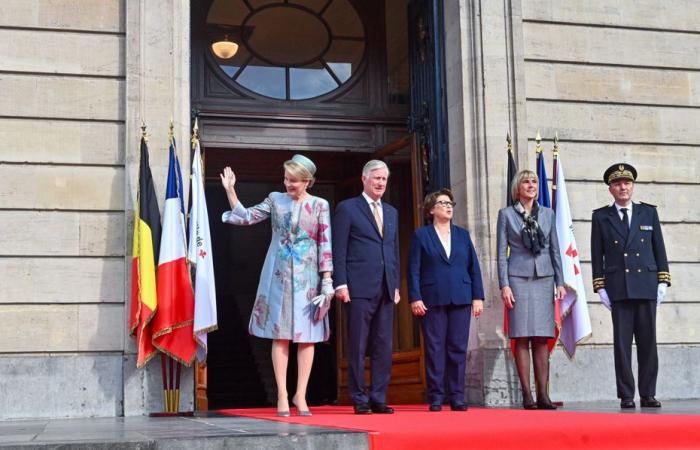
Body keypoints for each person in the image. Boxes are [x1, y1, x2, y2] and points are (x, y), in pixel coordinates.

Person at [220, 154, 334, 417]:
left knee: (308, 338)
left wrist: (327, 281)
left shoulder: (320, 205)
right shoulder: (275, 199)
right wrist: (231, 191)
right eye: (286, 179)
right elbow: (246, 217)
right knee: (280, 335)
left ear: (307, 181)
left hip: (308, 279)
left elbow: (325, 243)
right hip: (278, 276)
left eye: (294, 181)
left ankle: (300, 394)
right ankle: (282, 393)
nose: (288, 184)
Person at [591, 163, 670, 409]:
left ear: (633, 186)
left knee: (648, 343)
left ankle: (648, 393)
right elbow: (597, 254)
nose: (623, 187)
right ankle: (626, 394)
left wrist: (663, 280)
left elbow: (659, 249)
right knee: (622, 345)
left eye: (627, 183)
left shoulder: (649, 213)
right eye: (617, 184)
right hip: (619, 287)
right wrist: (600, 286)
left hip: (646, 284)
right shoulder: (601, 216)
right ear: (610, 189)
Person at [332, 159, 400, 415]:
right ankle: (359, 398)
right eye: (376, 178)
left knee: (383, 346)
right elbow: (339, 249)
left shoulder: (392, 212)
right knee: (358, 345)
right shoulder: (348, 209)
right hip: (357, 288)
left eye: (384, 179)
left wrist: (394, 284)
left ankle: (379, 397)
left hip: (385, 288)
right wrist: (341, 283)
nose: (381, 183)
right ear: (364, 179)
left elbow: (392, 251)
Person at [408, 189, 484, 412]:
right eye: (442, 203)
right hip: (432, 299)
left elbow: (474, 267)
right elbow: (413, 269)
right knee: (434, 348)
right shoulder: (421, 235)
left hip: (461, 296)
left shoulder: (462, 234)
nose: (449, 206)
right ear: (431, 209)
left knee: (458, 348)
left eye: (451, 203)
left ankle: (457, 396)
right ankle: (436, 396)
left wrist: (477, 296)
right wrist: (415, 297)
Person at [497, 169, 566, 410]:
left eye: (534, 181)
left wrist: (560, 282)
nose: (531, 185)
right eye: (526, 181)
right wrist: (504, 284)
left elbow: (555, 250)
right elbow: (500, 254)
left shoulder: (548, 214)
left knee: (541, 337)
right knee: (522, 336)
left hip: (545, 278)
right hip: (517, 278)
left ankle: (544, 396)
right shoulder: (506, 215)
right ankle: (527, 395)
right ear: (517, 187)